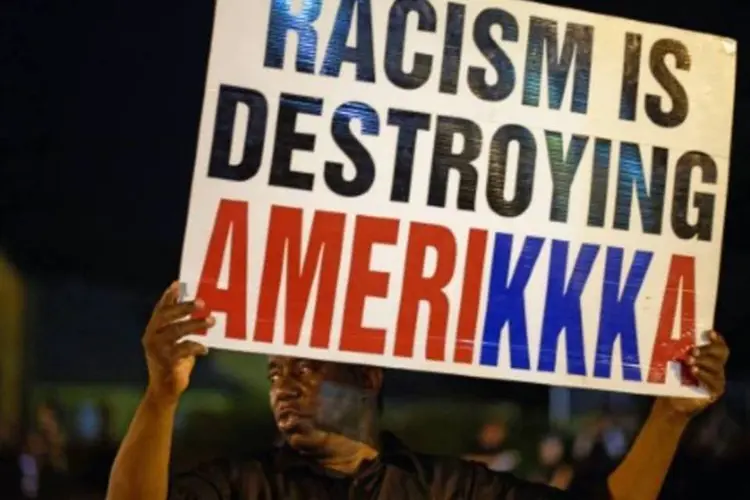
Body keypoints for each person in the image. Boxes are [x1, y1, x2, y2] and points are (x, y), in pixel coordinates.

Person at [107, 282, 730, 500]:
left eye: (305, 369)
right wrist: (162, 395)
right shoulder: (242, 486)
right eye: (275, 373)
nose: (284, 386)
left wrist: (671, 417)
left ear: (369, 375)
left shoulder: (447, 489)